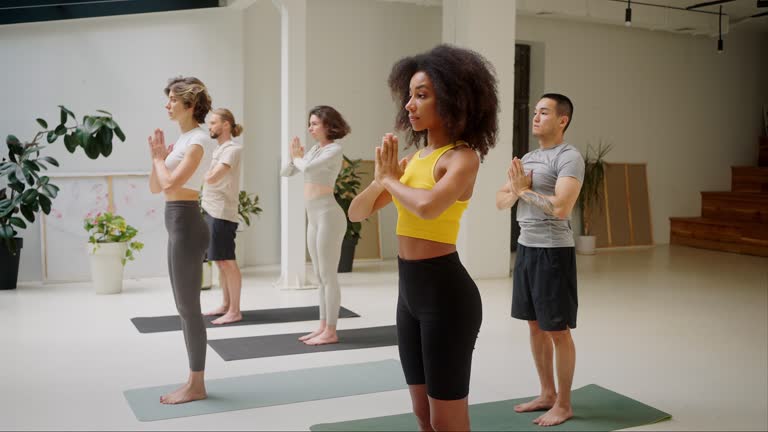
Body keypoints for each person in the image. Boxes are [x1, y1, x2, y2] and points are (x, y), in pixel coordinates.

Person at [348, 44, 499, 431]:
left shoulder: (462, 158)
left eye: (422, 95)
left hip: (446, 296)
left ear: (452, 99)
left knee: (447, 420)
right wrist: (383, 180)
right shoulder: (412, 162)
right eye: (409, 96)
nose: (410, 106)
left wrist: (389, 182)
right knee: (422, 414)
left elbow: (429, 206)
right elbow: (357, 212)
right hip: (410, 295)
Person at [495, 93, 584, 427]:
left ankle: (564, 403)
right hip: (526, 249)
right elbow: (500, 200)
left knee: (557, 330)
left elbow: (561, 208)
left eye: (543, 112)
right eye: (535, 111)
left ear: (562, 120)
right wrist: (517, 191)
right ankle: (546, 393)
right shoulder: (529, 157)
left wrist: (522, 192)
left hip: (553, 253)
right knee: (534, 326)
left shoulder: (569, 157)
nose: (536, 117)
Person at [148, 76, 214, 404]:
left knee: (189, 309)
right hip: (176, 221)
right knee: (183, 307)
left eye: (173, 99)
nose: (167, 105)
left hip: (187, 223)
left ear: (190, 105)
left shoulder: (199, 139)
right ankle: (193, 380)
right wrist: (158, 157)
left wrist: (162, 161)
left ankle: (196, 385)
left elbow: (171, 179)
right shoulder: (185, 139)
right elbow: (155, 186)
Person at [280, 105, 349, 346]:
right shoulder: (312, 150)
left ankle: (332, 330)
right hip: (314, 217)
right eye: (309, 124)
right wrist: (293, 156)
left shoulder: (334, 149)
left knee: (329, 275)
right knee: (320, 275)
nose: (310, 128)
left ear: (329, 125)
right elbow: (286, 172)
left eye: (314, 124)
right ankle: (322, 326)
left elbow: (306, 168)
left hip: (329, 215)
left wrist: (299, 159)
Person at [201, 108, 244, 325]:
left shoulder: (232, 150)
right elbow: (209, 177)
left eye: (213, 123)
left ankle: (235, 310)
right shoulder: (219, 151)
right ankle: (226, 304)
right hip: (211, 210)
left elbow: (213, 177)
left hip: (222, 213)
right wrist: (207, 175)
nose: (210, 127)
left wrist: (206, 174)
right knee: (219, 262)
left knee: (228, 261)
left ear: (226, 124)